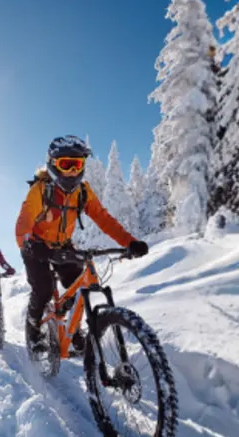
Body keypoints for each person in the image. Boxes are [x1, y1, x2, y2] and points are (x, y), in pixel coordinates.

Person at [15, 135, 148, 358]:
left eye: (76, 165)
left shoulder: (83, 192)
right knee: (43, 288)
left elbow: (104, 219)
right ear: (53, 164)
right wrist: (28, 242)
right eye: (65, 165)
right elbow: (24, 221)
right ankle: (34, 330)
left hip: (62, 245)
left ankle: (74, 330)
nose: (71, 172)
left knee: (77, 285)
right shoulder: (41, 190)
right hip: (35, 245)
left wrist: (129, 242)